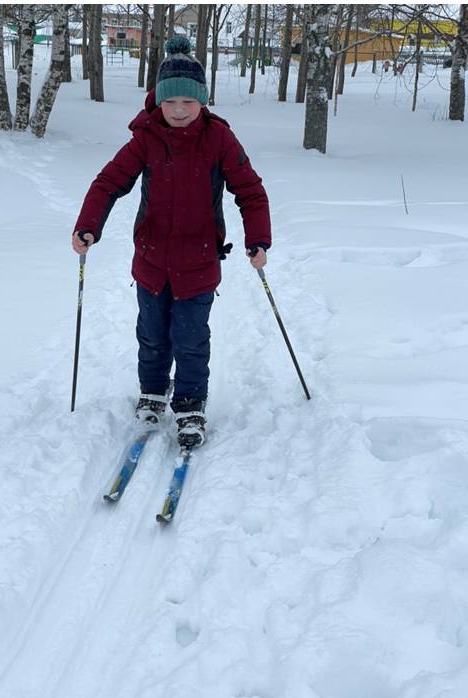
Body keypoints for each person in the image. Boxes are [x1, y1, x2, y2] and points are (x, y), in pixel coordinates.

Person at [72, 36, 272, 449]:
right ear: (158, 101)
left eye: (188, 102)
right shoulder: (146, 138)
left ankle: (190, 405)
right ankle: (152, 393)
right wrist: (88, 226)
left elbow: (250, 190)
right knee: (152, 334)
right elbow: (109, 183)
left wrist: (258, 239)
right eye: (171, 102)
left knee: (191, 338)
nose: (179, 111)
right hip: (151, 260)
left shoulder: (218, 139)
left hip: (199, 263)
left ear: (202, 101)